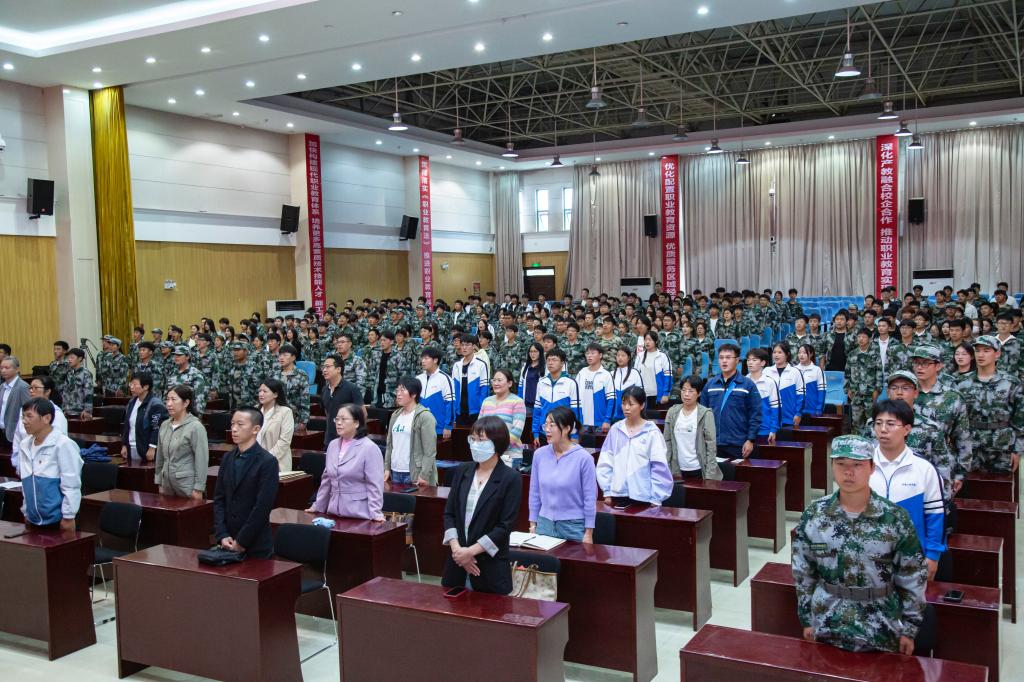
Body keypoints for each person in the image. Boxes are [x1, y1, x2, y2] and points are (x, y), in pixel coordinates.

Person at [791, 434, 927, 654]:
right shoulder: (814, 515)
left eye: (857, 465)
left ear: (872, 467)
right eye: (841, 464)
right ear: (832, 466)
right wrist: (807, 619)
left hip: (880, 626)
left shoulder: (895, 518)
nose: (848, 472)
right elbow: (803, 571)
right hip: (827, 622)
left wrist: (910, 629)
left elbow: (912, 575)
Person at [442, 416, 522, 594]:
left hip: (490, 568)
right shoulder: (462, 471)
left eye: (481, 440)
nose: (475, 445)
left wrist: (470, 552)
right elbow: (449, 514)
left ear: (496, 443)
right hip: (456, 564)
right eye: (473, 439)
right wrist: (458, 551)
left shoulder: (511, 478)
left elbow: (504, 526)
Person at [869, 400, 946, 581]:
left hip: (911, 558)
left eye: (890, 424)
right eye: (878, 423)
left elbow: (935, 515)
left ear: (907, 429)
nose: (883, 429)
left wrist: (933, 556)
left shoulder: (924, 469)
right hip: (868, 556)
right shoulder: (863, 465)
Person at [213, 407, 280, 558]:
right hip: (228, 540)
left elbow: (262, 507)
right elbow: (219, 499)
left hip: (255, 544)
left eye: (240, 424)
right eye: (232, 424)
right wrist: (222, 534)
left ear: (255, 429)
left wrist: (242, 541)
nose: (234, 429)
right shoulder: (227, 458)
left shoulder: (267, 462)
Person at [956, 335, 1024, 473]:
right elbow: (955, 418)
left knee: (1001, 485)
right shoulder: (961, 383)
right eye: (977, 351)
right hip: (970, 446)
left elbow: (1020, 420)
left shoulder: (1011, 383)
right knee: (969, 484)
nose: (981, 355)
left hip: (1002, 447)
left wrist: (1018, 449)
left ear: (997, 354)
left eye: (986, 350)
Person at [597, 386, 674, 506]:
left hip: (644, 496)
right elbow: (605, 461)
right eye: (624, 403)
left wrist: (656, 497)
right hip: (618, 494)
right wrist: (607, 491)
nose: (626, 408)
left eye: (631, 404)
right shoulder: (616, 429)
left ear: (642, 405)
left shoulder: (651, 432)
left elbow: (659, 466)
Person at [528, 406, 597, 542]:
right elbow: (534, 493)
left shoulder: (584, 458)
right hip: (544, 524)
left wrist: (589, 533)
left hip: (573, 526)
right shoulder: (539, 455)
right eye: (546, 425)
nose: (547, 429)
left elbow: (590, 498)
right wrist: (533, 524)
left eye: (552, 425)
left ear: (567, 428)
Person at [307, 403, 384, 521]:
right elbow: (327, 480)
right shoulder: (333, 445)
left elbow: (375, 484)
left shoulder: (369, 448)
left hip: (359, 513)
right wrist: (318, 506)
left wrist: (376, 513)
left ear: (356, 423)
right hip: (334, 511)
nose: (339, 423)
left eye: (344, 419)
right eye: (337, 419)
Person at [16, 397, 82, 530]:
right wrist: (26, 511)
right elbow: (26, 483)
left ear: (46, 418)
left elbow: (71, 484)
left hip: (58, 519)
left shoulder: (63, 444)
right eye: (23, 416)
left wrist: (68, 516)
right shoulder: (24, 445)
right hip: (33, 518)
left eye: (29, 416)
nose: (24, 421)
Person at [700, 344, 762, 459]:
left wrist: (750, 440)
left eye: (728, 357)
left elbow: (755, 414)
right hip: (714, 443)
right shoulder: (710, 385)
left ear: (737, 360)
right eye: (721, 357)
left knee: (737, 471)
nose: (724, 361)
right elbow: (702, 413)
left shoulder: (747, 385)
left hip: (738, 443)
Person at [154, 384, 209, 499]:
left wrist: (198, 488)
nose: (169, 404)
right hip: (167, 486)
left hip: (187, 486)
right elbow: (160, 457)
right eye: (167, 399)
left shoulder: (195, 427)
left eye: (173, 399)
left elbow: (201, 460)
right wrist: (159, 481)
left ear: (186, 403)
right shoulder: (164, 425)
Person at [664, 375, 723, 480]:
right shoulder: (672, 412)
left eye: (691, 391)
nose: (686, 394)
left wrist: (710, 474)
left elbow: (711, 446)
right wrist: (666, 467)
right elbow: (667, 441)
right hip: (677, 469)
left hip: (698, 469)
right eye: (683, 390)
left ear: (699, 393)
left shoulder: (705, 414)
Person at [384, 377, 438, 486]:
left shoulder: (425, 416)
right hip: (395, 471)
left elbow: (430, 451)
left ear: (414, 394)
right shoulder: (395, 415)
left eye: (402, 390)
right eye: (397, 390)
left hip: (414, 473)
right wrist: (387, 468)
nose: (398, 394)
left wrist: (424, 475)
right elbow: (389, 444)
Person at [530, 348, 582, 447]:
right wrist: (535, 432)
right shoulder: (541, 383)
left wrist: (575, 435)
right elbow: (537, 410)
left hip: (563, 433)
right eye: (548, 360)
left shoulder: (571, 383)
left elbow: (576, 412)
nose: (550, 363)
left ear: (562, 363)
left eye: (554, 360)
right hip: (544, 433)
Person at [479, 369, 527, 469]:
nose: (495, 383)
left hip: (510, 456)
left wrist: (495, 449)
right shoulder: (486, 401)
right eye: (494, 380)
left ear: (509, 383)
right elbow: (479, 427)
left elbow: (516, 432)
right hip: (487, 455)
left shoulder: (517, 402)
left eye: (499, 380)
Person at [119, 372, 168, 464]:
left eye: (135, 384)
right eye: (130, 384)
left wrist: (152, 448)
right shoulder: (131, 403)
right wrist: (124, 445)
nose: (131, 387)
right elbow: (127, 426)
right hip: (130, 447)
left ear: (146, 387)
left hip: (146, 448)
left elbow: (157, 428)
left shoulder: (155, 404)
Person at [320, 354, 365, 448]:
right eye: (323, 367)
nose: (324, 370)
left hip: (349, 441)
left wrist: (355, 437)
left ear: (338, 369)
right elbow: (327, 413)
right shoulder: (324, 390)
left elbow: (362, 414)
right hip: (329, 441)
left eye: (328, 367)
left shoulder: (351, 389)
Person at [575, 343, 615, 437]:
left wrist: (607, 420)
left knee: (600, 446)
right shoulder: (581, 373)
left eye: (593, 353)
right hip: (582, 422)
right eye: (587, 353)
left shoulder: (606, 375)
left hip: (600, 423)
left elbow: (611, 399)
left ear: (600, 355)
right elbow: (574, 397)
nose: (589, 356)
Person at [845, 328, 882, 429]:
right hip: (855, 391)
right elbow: (847, 372)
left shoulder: (875, 355)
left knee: (871, 420)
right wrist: (848, 388)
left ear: (869, 339)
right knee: (856, 421)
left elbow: (879, 373)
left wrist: (877, 390)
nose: (861, 339)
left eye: (864, 337)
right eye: (859, 337)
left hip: (870, 392)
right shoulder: (852, 354)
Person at [256, 379, 294, 473]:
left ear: (275, 394)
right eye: (260, 391)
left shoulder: (285, 412)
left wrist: (266, 458)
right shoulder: (255, 410)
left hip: (276, 462)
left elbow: (284, 441)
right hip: (254, 461)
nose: (261, 394)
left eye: (265, 391)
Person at [451, 334, 490, 426]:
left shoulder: (481, 365)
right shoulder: (456, 365)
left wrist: (481, 409)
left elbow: (484, 390)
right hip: (459, 411)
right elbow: (454, 389)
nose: (464, 348)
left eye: (467, 345)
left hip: (475, 411)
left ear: (474, 346)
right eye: (462, 345)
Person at [417, 347, 455, 438]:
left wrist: (448, 426)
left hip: (438, 428)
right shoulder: (418, 379)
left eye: (426, 358)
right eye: (422, 358)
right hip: (419, 427)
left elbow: (451, 404)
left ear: (435, 360)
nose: (423, 361)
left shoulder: (445, 379)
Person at [764, 343, 805, 428]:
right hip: (770, 418)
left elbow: (801, 395)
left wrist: (798, 413)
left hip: (789, 418)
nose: (776, 355)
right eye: (774, 352)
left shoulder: (795, 372)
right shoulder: (766, 371)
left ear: (787, 354)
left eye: (780, 352)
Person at [746, 347, 781, 445]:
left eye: (754, 360)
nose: (750, 363)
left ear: (763, 363)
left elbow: (775, 408)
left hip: (764, 430)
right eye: (748, 360)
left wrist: (773, 430)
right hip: (746, 430)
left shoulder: (770, 382)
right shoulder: (743, 381)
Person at [633, 331, 673, 408]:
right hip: (642, 395)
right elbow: (635, 375)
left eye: (650, 340)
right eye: (645, 340)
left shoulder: (662, 356)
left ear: (656, 341)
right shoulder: (640, 356)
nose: (647, 342)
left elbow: (668, 377)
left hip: (658, 395)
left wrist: (666, 394)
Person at [275, 343, 310, 430]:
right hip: (276, 419)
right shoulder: (275, 374)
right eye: (280, 355)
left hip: (295, 419)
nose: (281, 358)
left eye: (285, 355)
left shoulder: (301, 375)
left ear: (293, 357)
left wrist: (304, 421)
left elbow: (305, 399)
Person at [0, 356, 31, 449]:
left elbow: (28, 410)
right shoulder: (2, 386)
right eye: (1, 368)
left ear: (17, 369)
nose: (3, 370)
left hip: (14, 433)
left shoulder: (23, 387)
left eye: (7, 368)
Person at [610, 346, 645, 422]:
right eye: (618, 355)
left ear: (628, 358)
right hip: (613, 416)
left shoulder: (635, 373)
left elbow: (641, 395)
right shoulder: (611, 374)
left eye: (623, 355)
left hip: (631, 414)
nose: (620, 358)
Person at [795, 344, 827, 416]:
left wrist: (819, 409)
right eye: (799, 352)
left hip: (812, 410)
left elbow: (822, 392)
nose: (801, 355)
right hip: (795, 411)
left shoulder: (818, 370)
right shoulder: (794, 370)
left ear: (811, 354)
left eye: (804, 353)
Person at [62, 348, 94, 418]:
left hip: (81, 412)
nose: (69, 360)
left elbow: (88, 393)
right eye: (68, 358)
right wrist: (64, 408)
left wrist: (87, 410)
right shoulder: (69, 373)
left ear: (80, 359)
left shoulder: (86, 374)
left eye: (72, 357)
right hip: (68, 411)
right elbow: (65, 392)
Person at [517, 342, 545, 409]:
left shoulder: (545, 367)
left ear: (540, 353)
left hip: (539, 406)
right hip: (526, 405)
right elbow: (520, 386)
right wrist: (520, 403)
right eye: (531, 351)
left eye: (535, 351)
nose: (532, 354)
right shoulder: (525, 367)